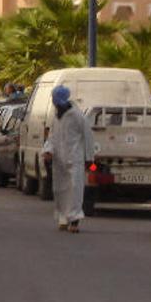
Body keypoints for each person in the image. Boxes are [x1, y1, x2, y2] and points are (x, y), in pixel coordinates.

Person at [42, 85, 95, 234]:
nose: (55, 104)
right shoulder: (56, 117)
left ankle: (75, 220)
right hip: (59, 159)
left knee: (75, 189)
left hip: (74, 158)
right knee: (59, 189)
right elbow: (52, 137)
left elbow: (88, 137)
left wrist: (89, 158)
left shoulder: (78, 116)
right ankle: (63, 217)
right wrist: (47, 151)